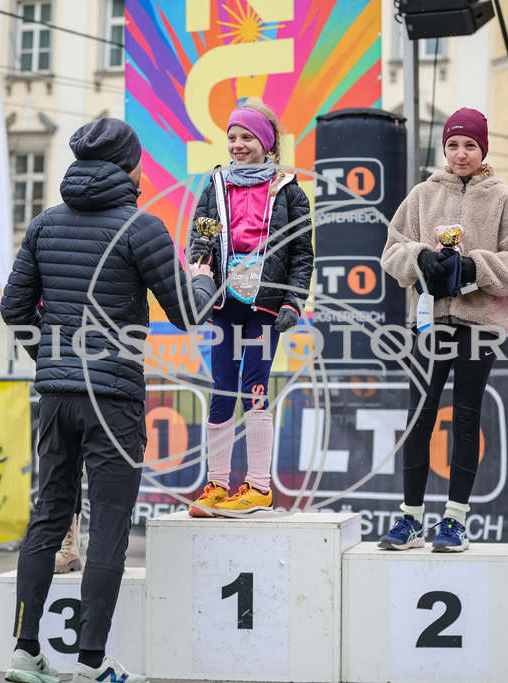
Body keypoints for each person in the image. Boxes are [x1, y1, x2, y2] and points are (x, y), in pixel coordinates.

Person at [0, 118, 215, 683]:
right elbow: (188, 314)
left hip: (56, 395)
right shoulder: (141, 228)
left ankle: (24, 653)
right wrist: (202, 275)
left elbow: (14, 310)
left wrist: (51, 360)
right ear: (129, 167)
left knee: (48, 518)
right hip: (113, 394)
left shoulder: (44, 225)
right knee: (112, 521)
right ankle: (92, 664)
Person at [378, 108, 508, 552]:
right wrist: (418, 256)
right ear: (443, 149)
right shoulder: (421, 195)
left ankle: (454, 521)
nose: (461, 153)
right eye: (453, 145)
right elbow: (390, 252)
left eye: (470, 144)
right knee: (419, 417)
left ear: (483, 148)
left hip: (479, 325)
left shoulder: (507, 199)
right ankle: (410, 519)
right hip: (429, 322)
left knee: (466, 418)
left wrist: (475, 266)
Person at [186, 98, 313, 517]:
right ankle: (217, 485)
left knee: (253, 385)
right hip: (224, 304)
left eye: (247, 137)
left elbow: (302, 255)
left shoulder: (289, 190)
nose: (238, 145)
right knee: (222, 387)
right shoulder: (216, 185)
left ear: (267, 142)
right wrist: (200, 269)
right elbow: (197, 241)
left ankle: (259, 487)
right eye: (232, 137)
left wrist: (294, 300)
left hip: (265, 306)